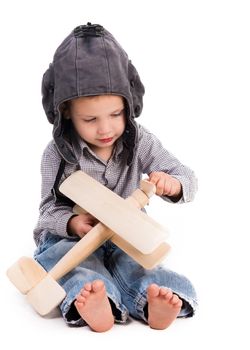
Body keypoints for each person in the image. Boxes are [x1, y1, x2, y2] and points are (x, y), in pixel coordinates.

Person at [34, 23, 198, 332]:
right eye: (90, 119)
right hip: (75, 239)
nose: (105, 129)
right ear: (66, 113)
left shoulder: (140, 141)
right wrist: (71, 223)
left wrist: (172, 184)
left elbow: (185, 176)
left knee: (139, 266)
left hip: (126, 235)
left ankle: (153, 300)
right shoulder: (57, 153)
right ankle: (100, 301)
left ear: (128, 104)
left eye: (115, 114)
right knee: (77, 267)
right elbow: (46, 211)